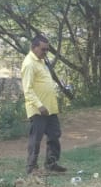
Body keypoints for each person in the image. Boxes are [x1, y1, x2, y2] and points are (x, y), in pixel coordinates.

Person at [20, 33, 69, 175]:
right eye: (43, 49)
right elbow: (27, 89)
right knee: (36, 138)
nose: (46, 52)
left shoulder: (41, 61)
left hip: (50, 108)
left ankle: (51, 164)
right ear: (34, 47)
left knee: (54, 134)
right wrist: (39, 105)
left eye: (47, 49)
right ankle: (31, 167)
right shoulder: (29, 63)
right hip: (38, 109)